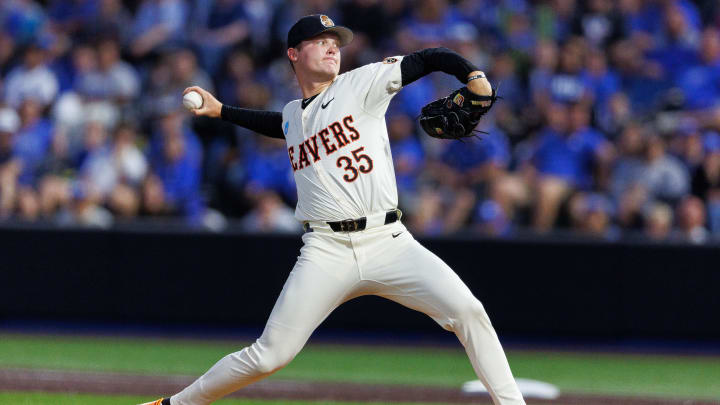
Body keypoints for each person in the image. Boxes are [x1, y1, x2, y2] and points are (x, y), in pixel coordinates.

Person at [140, 14, 525, 405]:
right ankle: (174, 404)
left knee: (468, 310)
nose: (332, 47)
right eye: (320, 40)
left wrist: (472, 74)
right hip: (326, 249)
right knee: (270, 355)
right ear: (293, 53)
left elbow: (428, 57)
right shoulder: (294, 114)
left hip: (388, 241)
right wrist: (222, 110)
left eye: (336, 42)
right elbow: (282, 124)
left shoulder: (361, 83)